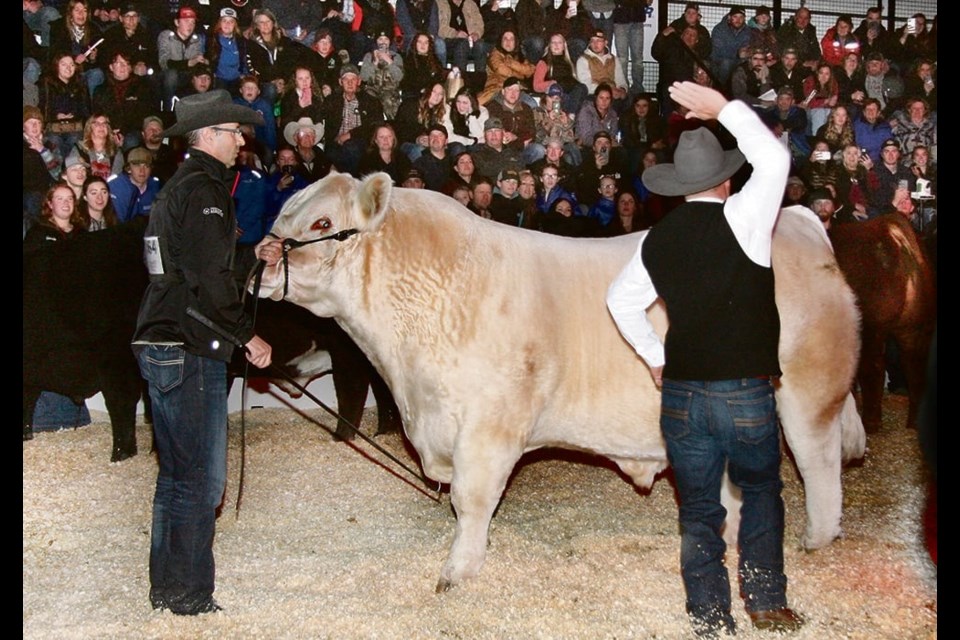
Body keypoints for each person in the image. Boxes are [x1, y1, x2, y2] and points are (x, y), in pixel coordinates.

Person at [606, 81, 802, 637]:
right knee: (761, 490)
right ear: (724, 180)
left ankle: (709, 614)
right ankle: (765, 600)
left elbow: (619, 301)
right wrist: (725, 110)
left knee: (697, 508)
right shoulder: (744, 217)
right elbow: (776, 157)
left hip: (683, 393)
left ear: (679, 187)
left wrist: (652, 357)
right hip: (744, 391)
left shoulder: (657, 239)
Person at [132, 90, 274, 616]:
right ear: (210, 135)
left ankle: (167, 587)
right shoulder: (208, 189)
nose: (241, 141)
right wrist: (245, 334)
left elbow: (191, 262)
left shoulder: (179, 188)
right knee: (200, 480)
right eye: (234, 132)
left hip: (161, 337)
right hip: (190, 344)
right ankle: (191, 596)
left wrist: (247, 255)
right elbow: (209, 283)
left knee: (175, 475)